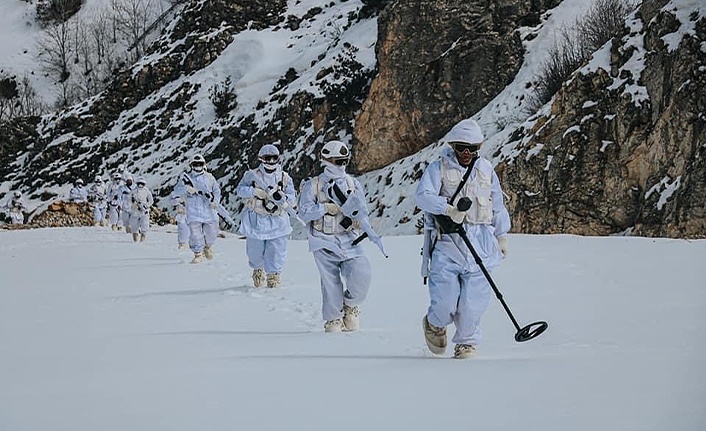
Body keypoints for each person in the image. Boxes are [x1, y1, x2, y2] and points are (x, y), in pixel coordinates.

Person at [415, 119, 511, 359]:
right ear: (453, 146)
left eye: (472, 148)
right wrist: (448, 209)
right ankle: (434, 323)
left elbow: (497, 205)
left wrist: (501, 235)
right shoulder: (438, 169)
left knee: (473, 302)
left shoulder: (487, 170)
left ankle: (466, 343)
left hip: (481, 245)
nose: (466, 153)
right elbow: (423, 197)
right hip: (448, 243)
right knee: (446, 302)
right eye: (461, 147)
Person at [298, 140, 372, 333]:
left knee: (362, 275)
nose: (341, 165)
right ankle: (333, 318)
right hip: (323, 240)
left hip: (349, 239)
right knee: (330, 282)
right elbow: (304, 213)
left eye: (344, 161)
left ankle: (350, 305)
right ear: (326, 160)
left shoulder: (353, 184)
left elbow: (363, 210)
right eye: (337, 161)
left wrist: (358, 219)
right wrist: (324, 208)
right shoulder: (313, 186)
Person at [236, 144, 296, 288]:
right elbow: (240, 190)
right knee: (255, 252)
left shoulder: (285, 178)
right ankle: (258, 270)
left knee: (276, 250)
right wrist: (255, 192)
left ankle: (273, 276)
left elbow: (292, 197)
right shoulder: (252, 175)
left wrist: (283, 198)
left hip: (278, 220)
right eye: (267, 158)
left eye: (274, 158)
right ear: (261, 159)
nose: (270, 161)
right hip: (256, 219)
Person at [173, 154, 222, 264]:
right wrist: (186, 188)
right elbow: (176, 191)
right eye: (195, 164)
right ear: (191, 165)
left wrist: (215, 201)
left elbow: (216, 190)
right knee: (195, 234)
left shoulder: (210, 178)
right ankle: (198, 253)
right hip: (193, 211)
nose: (198, 166)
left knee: (212, 233)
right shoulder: (186, 178)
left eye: (200, 164)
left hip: (209, 211)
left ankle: (207, 247)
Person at [129, 176, 154, 242]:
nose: (140, 185)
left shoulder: (147, 191)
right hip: (135, 211)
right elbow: (129, 200)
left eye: (142, 184)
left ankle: (142, 239)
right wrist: (133, 204)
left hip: (144, 211)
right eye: (139, 183)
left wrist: (146, 206)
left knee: (144, 225)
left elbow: (151, 201)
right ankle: (135, 239)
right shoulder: (133, 191)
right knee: (134, 225)